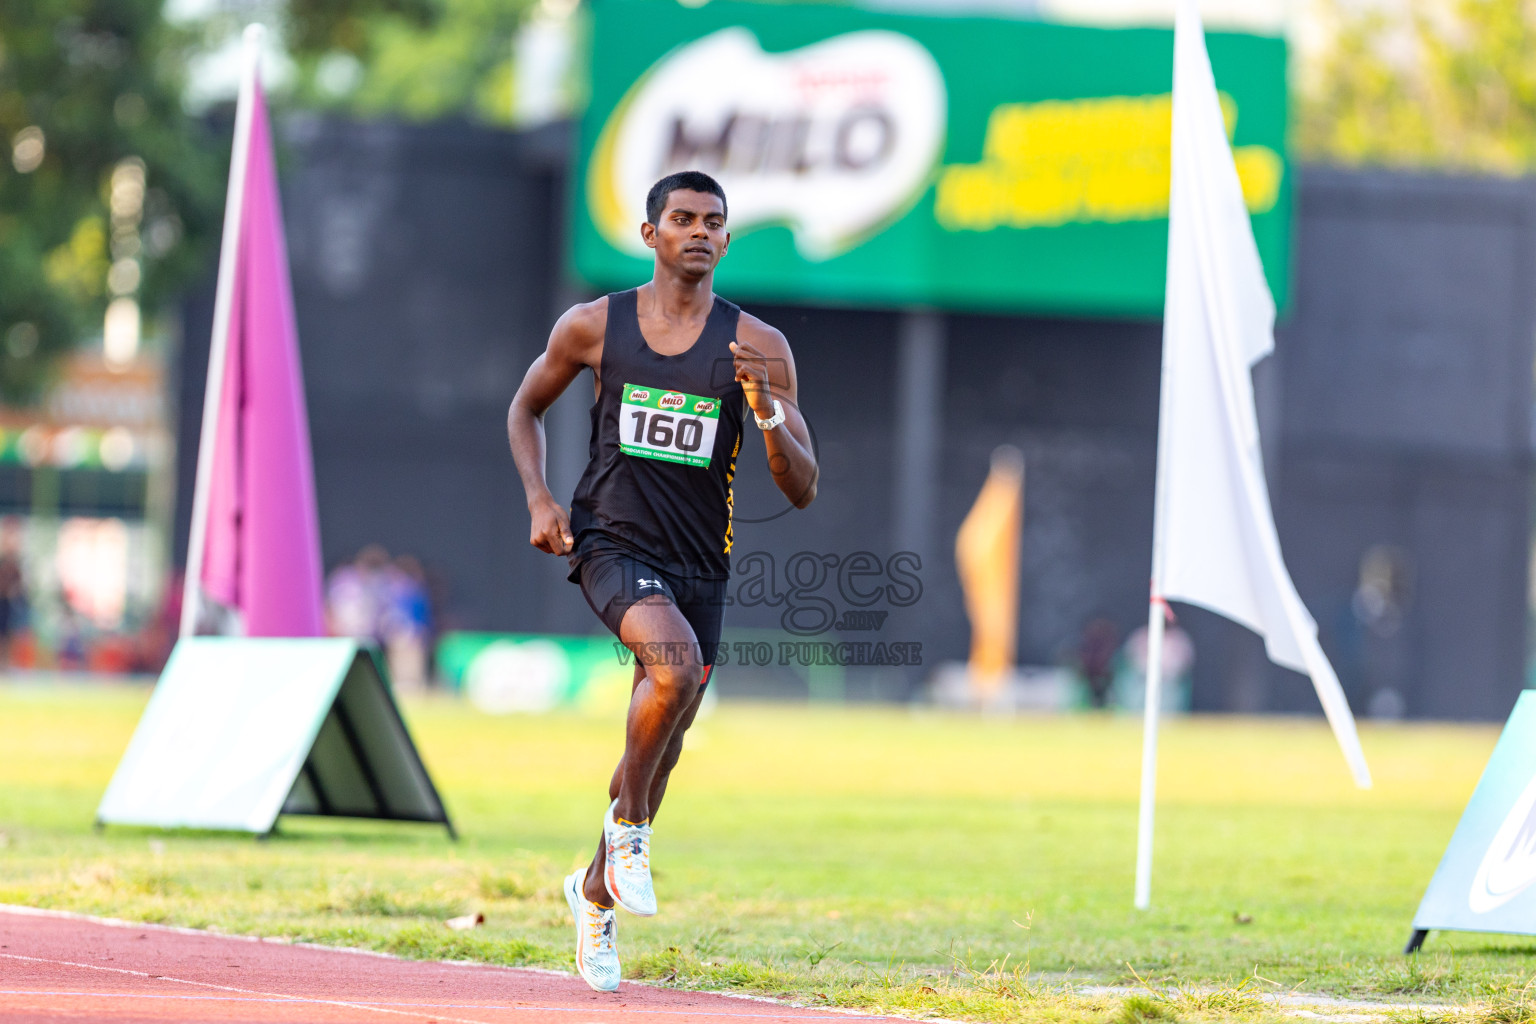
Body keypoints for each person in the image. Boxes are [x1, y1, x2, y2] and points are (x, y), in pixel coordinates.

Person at [507, 170, 818, 992]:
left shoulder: (760, 347)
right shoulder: (594, 326)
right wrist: (540, 498)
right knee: (671, 669)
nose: (699, 232)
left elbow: (801, 484)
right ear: (650, 233)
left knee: (666, 737)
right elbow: (523, 408)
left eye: (714, 222)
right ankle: (632, 829)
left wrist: (767, 409)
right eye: (682, 219)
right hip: (609, 541)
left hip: (699, 562)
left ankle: (596, 890)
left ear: (726, 237)